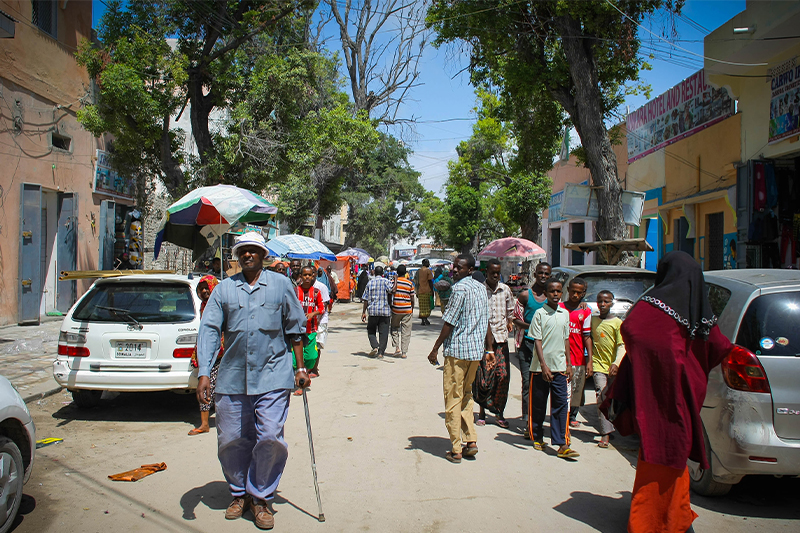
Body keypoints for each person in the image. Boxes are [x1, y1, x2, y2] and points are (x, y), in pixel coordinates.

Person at [602, 252, 732, 533]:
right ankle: (661, 522)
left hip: (656, 397)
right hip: (676, 399)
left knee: (665, 453)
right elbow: (720, 347)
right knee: (669, 453)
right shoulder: (697, 312)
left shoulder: (651, 306)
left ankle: (668, 519)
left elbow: (633, 330)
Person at [195, 232, 307, 530]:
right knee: (231, 440)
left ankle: (260, 496)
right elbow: (208, 330)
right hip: (232, 377)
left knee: (269, 436)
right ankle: (239, 492)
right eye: (242, 251)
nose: (247, 255)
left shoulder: (282, 285)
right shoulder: (223, 290)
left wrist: (301, 367)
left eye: (253, 250)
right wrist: (204, 371)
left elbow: (296, 328)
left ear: (262, 255)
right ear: (237, 255)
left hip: (273, 375)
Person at [427, 254, 489, 463]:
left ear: (470, 270)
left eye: (459, 268)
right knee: (466, 394)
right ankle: (470, 439)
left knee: (453, 398)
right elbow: (485, 320)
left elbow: (449, 322)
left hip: (458, 352)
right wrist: (487, 350)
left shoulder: (460, 289)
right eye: (454, 266)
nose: (454, 270)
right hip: (474, 353)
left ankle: (456, 448)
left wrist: (435, 348)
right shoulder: (481, 288)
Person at [528, 278, 579, 459]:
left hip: (560, 368)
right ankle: (537, 436)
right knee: (539, 405)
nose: (556, 295)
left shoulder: (564, 314)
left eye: (558, 291)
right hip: (540, 368)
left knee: (561, 405)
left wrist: (569, 363)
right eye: (552, 291)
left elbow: (566, 340)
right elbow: (538, 340)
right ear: (546, 294)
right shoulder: (540, 314)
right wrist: (543, 365)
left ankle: (561, 443)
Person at [475, 259, 514, 429]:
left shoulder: (505, 290)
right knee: (485, 379)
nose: (496, 275)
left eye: (498, 273)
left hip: (501, 340)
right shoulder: (480, 291)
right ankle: (482, 412)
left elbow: (510, 310)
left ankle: (499, 412)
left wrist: (510, 321)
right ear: (487, 272)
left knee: (503, 376)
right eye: (493, 273)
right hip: (484, 342)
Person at [512, 262, 551, 430]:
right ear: (535, 274)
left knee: (542, 384)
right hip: (526, 345)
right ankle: (527, 417)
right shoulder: (525, 296)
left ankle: (537, 418)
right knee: (527, 382)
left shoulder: (552, 297)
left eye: (546, 274)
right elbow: (515, 319)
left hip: (546, 347)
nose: (543, 276)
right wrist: (532, 327)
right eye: (540, 273)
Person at [188, 275, 224, 436]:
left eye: (206, 287)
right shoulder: (204, 306)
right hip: (209, 353)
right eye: (201, 289)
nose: (204, 291)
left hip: (221, 351)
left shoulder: (220, 305)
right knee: (206, 386)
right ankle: (204, 423)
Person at [591, 290, 625, 448]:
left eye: (606, 301)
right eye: (600, 301)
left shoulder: (617, 323)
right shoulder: (592, 320)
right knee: (602, 396)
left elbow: (622, 345)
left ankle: (613, 427)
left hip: (613, 367)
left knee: (614, 399)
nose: (602, 304)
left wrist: (616, 363)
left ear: (612, 303)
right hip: (598, 365)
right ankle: (605, 433)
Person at [560, 278, 593, 431]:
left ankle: (572, 416)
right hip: (560, 356)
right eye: (572, 291)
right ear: (568, 289)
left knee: (576, 388)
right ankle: (561, 414)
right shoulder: (559, 307)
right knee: (561, 388)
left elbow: (586, 336)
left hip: (578, 356)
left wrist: (590, 360)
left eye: (578, 293)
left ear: (583, 294)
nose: (575, 295)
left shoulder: (585, 311)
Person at [294, 265, 325, 393]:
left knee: (311, 357)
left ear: (313, 276)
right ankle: (301, 382)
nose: (307, 277)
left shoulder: (316, 292)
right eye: (304, 275)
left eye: (309, 275)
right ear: (300, 276)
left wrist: (313, 314)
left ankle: (306, 371)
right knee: (296, 359)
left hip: (311, 330)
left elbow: (322, 308)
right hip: (296, 330)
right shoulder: (295, 291)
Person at [361, 266, 393, 358]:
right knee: (384, 332)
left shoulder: (370, 283)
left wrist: (364, 312)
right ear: (383, 273)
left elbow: (365, 299)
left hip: (373, 311)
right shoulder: (386, 282)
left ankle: (375, 346)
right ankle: (381, 352)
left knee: (371, 330)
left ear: (374, 272)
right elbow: (392, 290)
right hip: (385, 311)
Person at [389, 264, 415, 358]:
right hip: (407, 309)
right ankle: (404, 352)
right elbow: (412, 297)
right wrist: (412, 308)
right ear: (405, 273)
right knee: (406, 331)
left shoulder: (393, 282)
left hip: (396, 309)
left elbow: (390, 293)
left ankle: (397, 348)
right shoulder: (409, 283)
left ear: (397, 272)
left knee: (394, 328)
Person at [310, 271, 331, 379]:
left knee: (317, 344)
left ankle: (314, 369)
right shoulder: (303, 287)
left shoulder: (321, 287)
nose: (309, 277)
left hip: (320, 321)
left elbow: (325, 304)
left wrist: (317, 320)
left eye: (311, 274)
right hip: (308, 321)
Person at [416, 258, 434, 325]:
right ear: (426, 263)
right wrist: (432, 291)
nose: (429, 264)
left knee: (422, 306)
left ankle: (423, 320)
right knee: (427, 306)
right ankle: (425, 319)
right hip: (427, 290)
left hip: (420, 291)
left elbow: (416, 282)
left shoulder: (418, 271)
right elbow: (430, 281)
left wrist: (416, 291)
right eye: (428, 263)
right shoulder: (428, 271)